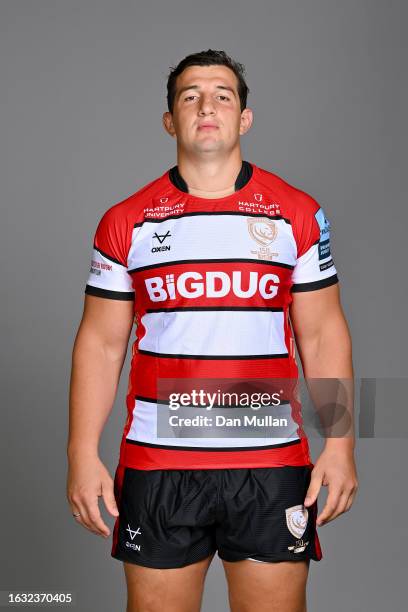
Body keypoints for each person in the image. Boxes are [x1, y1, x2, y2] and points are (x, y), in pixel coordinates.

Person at [66, 49, 358, 612]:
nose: (207, 105)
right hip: (159, 467)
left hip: (270, 466)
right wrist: (80, 452)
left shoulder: (297, 212)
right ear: (170, 120)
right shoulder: (126, 221)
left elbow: (324, 335)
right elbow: (100, 344)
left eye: (223, 95)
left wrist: (342, 443)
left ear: (244, 118)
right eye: (190, 95)